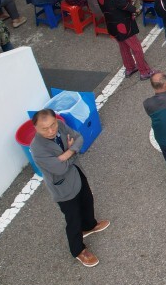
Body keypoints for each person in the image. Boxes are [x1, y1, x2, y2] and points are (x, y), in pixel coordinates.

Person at [28, 109, 110, 267]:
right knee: (73, 219)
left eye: (53, 125)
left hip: (77, 173)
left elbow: (79, 138)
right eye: (45, 129)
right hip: (62, 187)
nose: (51, 131)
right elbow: (59, 169)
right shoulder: (37, 149)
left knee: (87, 201)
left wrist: (66, 155)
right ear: (35, 128)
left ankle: (89, 226)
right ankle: (78, 250)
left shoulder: (60, 125)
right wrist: (72, 151)